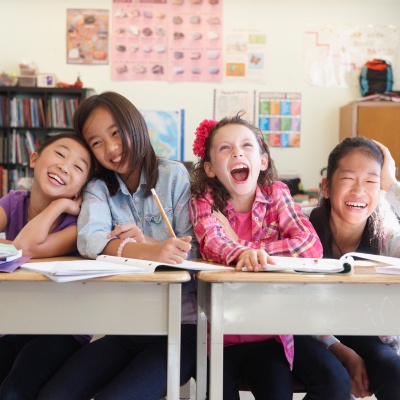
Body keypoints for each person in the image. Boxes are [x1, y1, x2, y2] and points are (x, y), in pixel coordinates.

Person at [38, 91, 198, 400]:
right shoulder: (98, 187)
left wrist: (151, 243)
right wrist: (150, 250)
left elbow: (194, 253)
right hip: (124, 328)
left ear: (134, 125)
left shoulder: (173, 175)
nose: (111, 149)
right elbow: (89, 240)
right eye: (96, 142)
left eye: (116, 133)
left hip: (181, 330)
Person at [189, 114, 341, 400]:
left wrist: (243, 247)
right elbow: (212, 243)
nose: (237, 152)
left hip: (268, 335)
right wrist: (250, 252)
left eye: (247, 145)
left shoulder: (277, 193)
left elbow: (310, 246)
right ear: (209, 168)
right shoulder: (203, 199)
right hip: (215, 339)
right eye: (225, 148)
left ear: (263, 161)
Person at [0, 132, 94, 399]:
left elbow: (22, 247)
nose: (65, 166)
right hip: (17, 323)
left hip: (62, 330)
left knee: (13, 391)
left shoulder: (78, 225)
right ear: (34, 158)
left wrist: (59, 206)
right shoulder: (15, 201)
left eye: (78, 167)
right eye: (60, 154)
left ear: (81, 188)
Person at [306, 136, 400, 400]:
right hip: (312, 335)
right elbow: (295, 310)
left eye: (371, 181)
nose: (360, 191)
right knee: (332, 382)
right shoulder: (302, 231)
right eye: (348, 179)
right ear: (325, 187)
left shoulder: (385, 234)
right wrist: (342, 351)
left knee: (395, 373)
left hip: (369, 334)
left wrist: (391, 186)